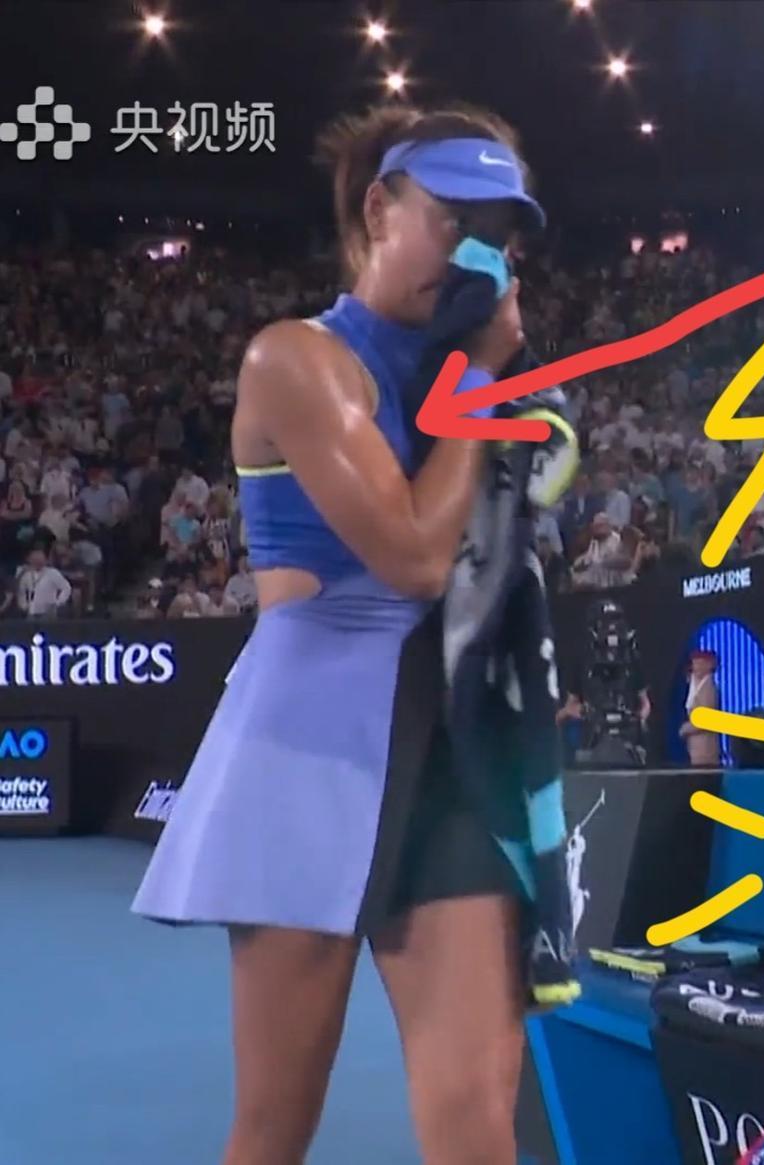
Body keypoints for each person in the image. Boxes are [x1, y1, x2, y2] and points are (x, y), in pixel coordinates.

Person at [132, 102, 548, 1165]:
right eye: (453, 222)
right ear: (377, 210)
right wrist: (477, 378)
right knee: (276, 1127)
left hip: (453, 751)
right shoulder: (294, 358)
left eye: (497, 237)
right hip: (303, 751)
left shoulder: (477, 374)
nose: (476, 256)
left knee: (476, 1118)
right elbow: (411, 556)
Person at [679, 649, 721, 767]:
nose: (695, 667)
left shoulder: (708, 689)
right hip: (696, 752)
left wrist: (686, 728)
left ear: (709, 665)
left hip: (706, 752)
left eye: (699, 663)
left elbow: (707, 720)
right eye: (694, 663)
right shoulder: (697, 686)